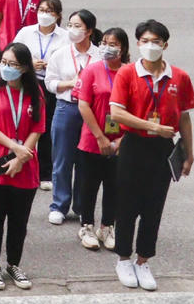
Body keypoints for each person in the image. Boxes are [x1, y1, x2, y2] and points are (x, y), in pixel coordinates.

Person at [108, 20, 194, 292]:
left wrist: (189, 154)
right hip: (134, 145)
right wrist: (151, 126)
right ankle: (123, 258)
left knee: (153, 207)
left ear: (165, 45)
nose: (150, 46)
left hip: (163, 148)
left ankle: (143, 260)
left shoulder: (178, 77)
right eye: (145, 41)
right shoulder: (126, 74)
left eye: (156, 41)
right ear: (137, 43)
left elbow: (184, 117)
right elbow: (117, 112)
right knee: (127, 205)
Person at [0, 42, 45, 292]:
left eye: (12, 64)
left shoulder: (35, 92)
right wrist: (14, 148)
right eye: (4, 62)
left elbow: (37, 128)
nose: (6, 67)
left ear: (25, 68)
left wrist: (22, 157)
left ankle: (14, 264)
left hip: (25, 166)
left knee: (19, 221)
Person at [74, 27, 128, 252]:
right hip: (92, 139)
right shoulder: (92, 70)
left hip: (121, 141)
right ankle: (86, 225)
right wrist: (100, 136)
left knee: (114, 186)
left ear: (123, 48)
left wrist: (120, 140)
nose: (107, 47)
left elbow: (138, 109)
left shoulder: (130, 72)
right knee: (88, 185)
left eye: (113, 43)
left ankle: (107, 226)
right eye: (104, 42)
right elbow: (83, 104)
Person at [44, 8, 100, 223]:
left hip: (91, 110)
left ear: (89, 31)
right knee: (62, 158)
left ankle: (80, 205)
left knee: (86, 160)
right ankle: (59, 205)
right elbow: (49, 82)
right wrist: (71, 83)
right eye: (70, 25)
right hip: (66, 107)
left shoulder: (98, 56)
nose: (72, 30)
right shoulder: (60, 53)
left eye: (78, 26)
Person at [12, 0, 68, 191]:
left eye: (50, 11)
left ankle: (45, 172)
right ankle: (18, 163)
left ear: (58, 15)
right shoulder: (26, 33)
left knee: (46, 128)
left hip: (52, 85)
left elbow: (68, 60)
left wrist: (52, 63)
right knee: (23, 124)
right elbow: (12, 53)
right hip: (29, 82)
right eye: (42, 10)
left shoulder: (65, 36)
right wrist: (29, 63)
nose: (45, 15)